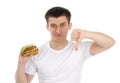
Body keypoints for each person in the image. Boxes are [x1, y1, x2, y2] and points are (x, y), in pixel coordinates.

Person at [15, 6, 115, 83]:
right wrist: (21, 63)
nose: (58, 30)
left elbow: (109, 43)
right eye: (53, 25)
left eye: (62, 25)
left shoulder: (80, 47)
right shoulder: (37, 53)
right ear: (47, 27)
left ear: (69, 26)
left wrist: (86, 33)